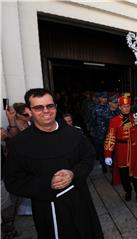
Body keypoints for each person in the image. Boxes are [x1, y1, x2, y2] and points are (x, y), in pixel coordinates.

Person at [4, 88, 103, 239]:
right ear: (29, 111)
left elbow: (88, 158)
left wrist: (73, 173)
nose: (46, 111)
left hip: (80, 201)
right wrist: (47, 183)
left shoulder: (74, 134)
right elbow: (13, 181)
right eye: (38, 107)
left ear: (55, 107)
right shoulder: (19, 143)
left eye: (50, 106)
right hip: (48, 207)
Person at [104, 96, 137, 205]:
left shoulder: (135, 118)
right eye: (124, 107)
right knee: (124, 176)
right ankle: (128, 191)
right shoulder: (114, 121)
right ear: (120, 107)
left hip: (135, 151)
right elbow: (110, 137)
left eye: (128, 106)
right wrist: (108, 154)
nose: (126, 108)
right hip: (122, 151)